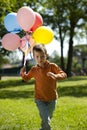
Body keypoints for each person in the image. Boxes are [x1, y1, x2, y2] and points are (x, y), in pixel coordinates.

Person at [20, 44, 67, 130]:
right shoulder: (34, 70)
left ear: (46, 55)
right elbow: (26, 78)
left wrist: (56, 76)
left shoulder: (52, 66)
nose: (40, 59)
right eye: (37, 56)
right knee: (46, 119)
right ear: (34, 57)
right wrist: (22, 73)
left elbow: (64, 74)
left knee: (48, 118)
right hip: (39, 99)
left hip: (52, 98)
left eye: (42, 56)